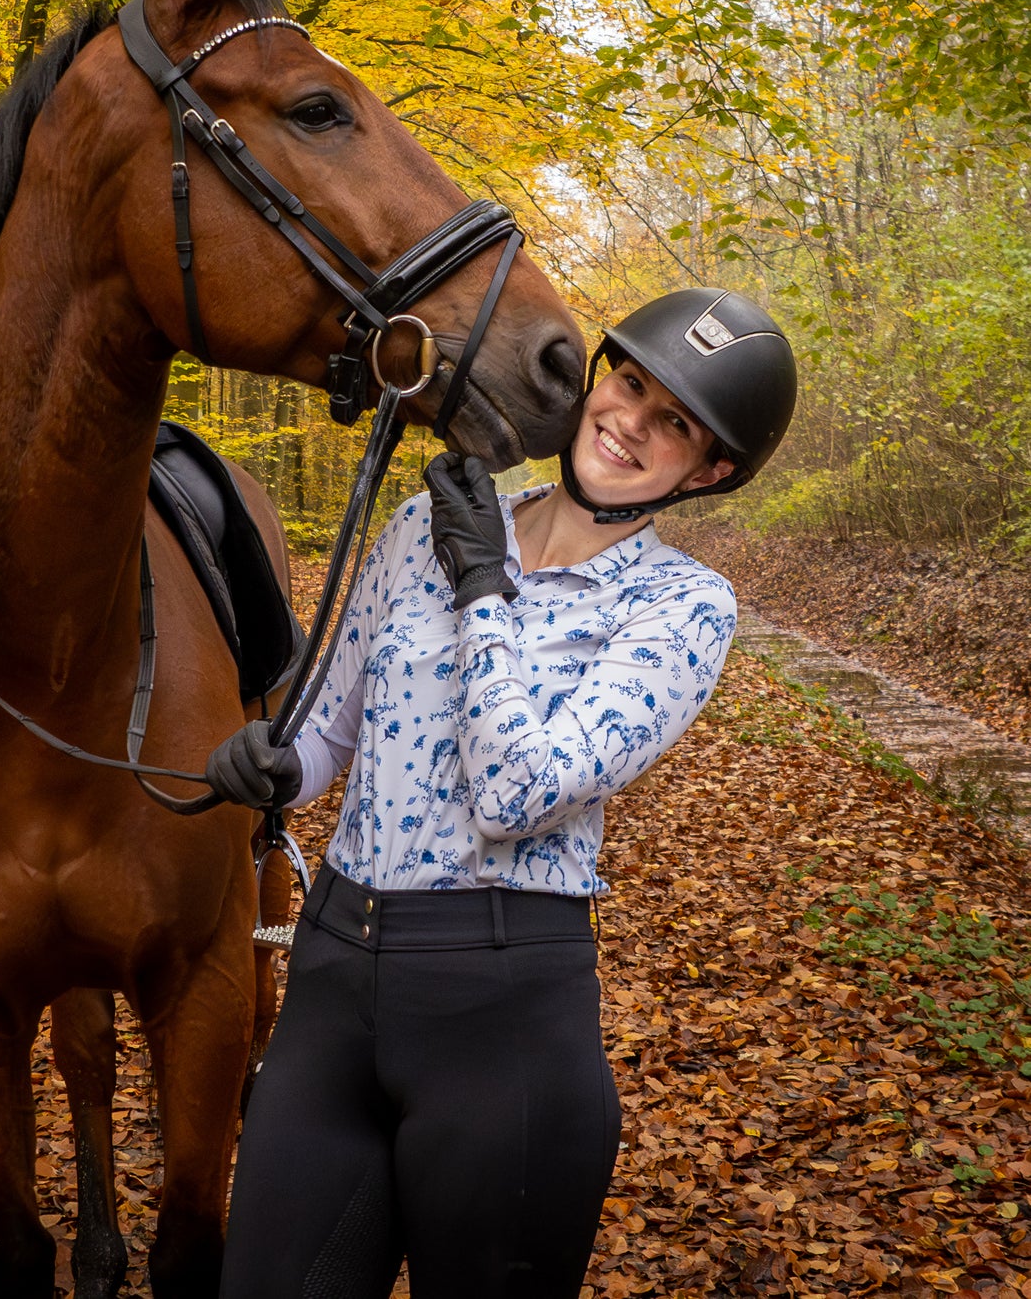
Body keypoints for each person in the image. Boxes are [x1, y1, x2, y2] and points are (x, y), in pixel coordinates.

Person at [211, 287, 798, 1299]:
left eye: (673, 424)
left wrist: (485, 585)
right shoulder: (414, 524)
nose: (629, 424)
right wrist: (271, 764)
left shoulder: (682, 606)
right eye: (629, 384)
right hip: (333, 979)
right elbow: (329, 733)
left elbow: (517, 789)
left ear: (708, 471)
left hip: (503, 1017)